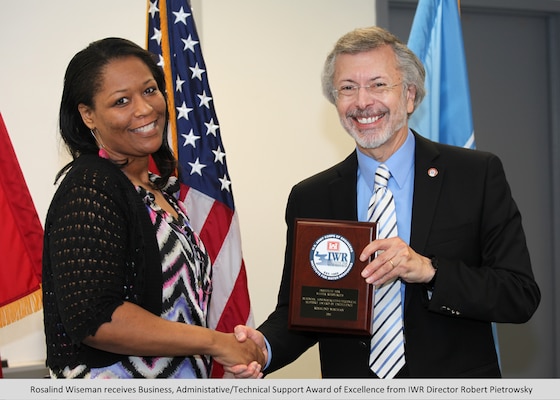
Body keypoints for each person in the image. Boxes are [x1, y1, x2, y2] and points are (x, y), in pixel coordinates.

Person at [230, 26, 540, 378]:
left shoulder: (476, 175)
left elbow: (519, 294)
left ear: (409, 96)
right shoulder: (311, 196)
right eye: (348, 88)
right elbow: (302, 311)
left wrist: (429, 271)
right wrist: (263, 347)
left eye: (378, 84)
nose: (362, 101)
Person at [42, 37, 264, 379]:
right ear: (88, 115)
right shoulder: (89, 187)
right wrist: (214, 343)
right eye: (121, 101)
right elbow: (96, 318)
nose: (145, 109)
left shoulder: (160, 191)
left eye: (149, 91)